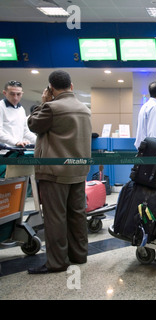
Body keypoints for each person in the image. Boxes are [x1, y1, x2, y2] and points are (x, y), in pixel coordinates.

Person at [27, 70, 92, 274]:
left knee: (55, 218)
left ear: (51, 88)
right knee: (77, 215)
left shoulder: (50, 108)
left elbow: (32, 124)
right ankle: (79, 255)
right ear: (71, 86)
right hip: (78, 171)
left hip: (55, 172)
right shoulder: (84, 109)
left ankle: (56, 263)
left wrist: (43, 102)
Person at [0, 80, 36, 147]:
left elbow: (26, 132)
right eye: (12, 94)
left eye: (18, 94)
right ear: (4, 93)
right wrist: (16, 142)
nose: (15, 97)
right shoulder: (1, 107)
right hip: (3, 151)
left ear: (22, 93)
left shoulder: (21, 109)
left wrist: (40, 141)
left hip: (16, 150)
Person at [134, 80, 156, 149]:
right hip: (149, 149)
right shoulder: (155, 107)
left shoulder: (145, 105)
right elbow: (153, 134)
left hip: (142, 147)